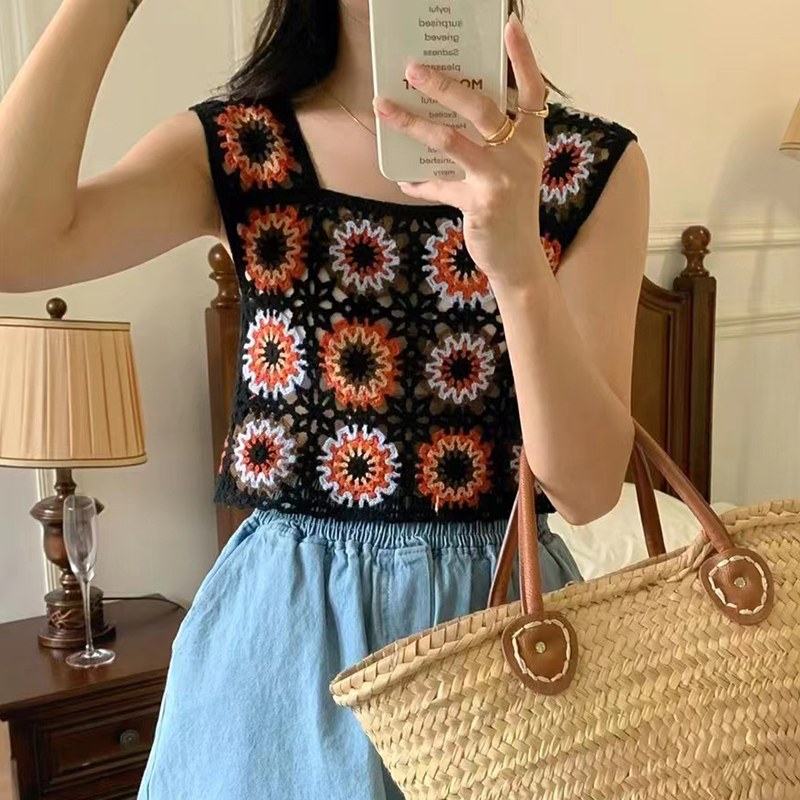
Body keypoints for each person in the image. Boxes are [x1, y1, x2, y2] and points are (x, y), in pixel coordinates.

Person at [0, 0, 650, 797]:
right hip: (283, 648)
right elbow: (15, 242)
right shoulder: (242, 146)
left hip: (508, 635)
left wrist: (516, 260)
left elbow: (588, 488)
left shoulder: (586, 163)